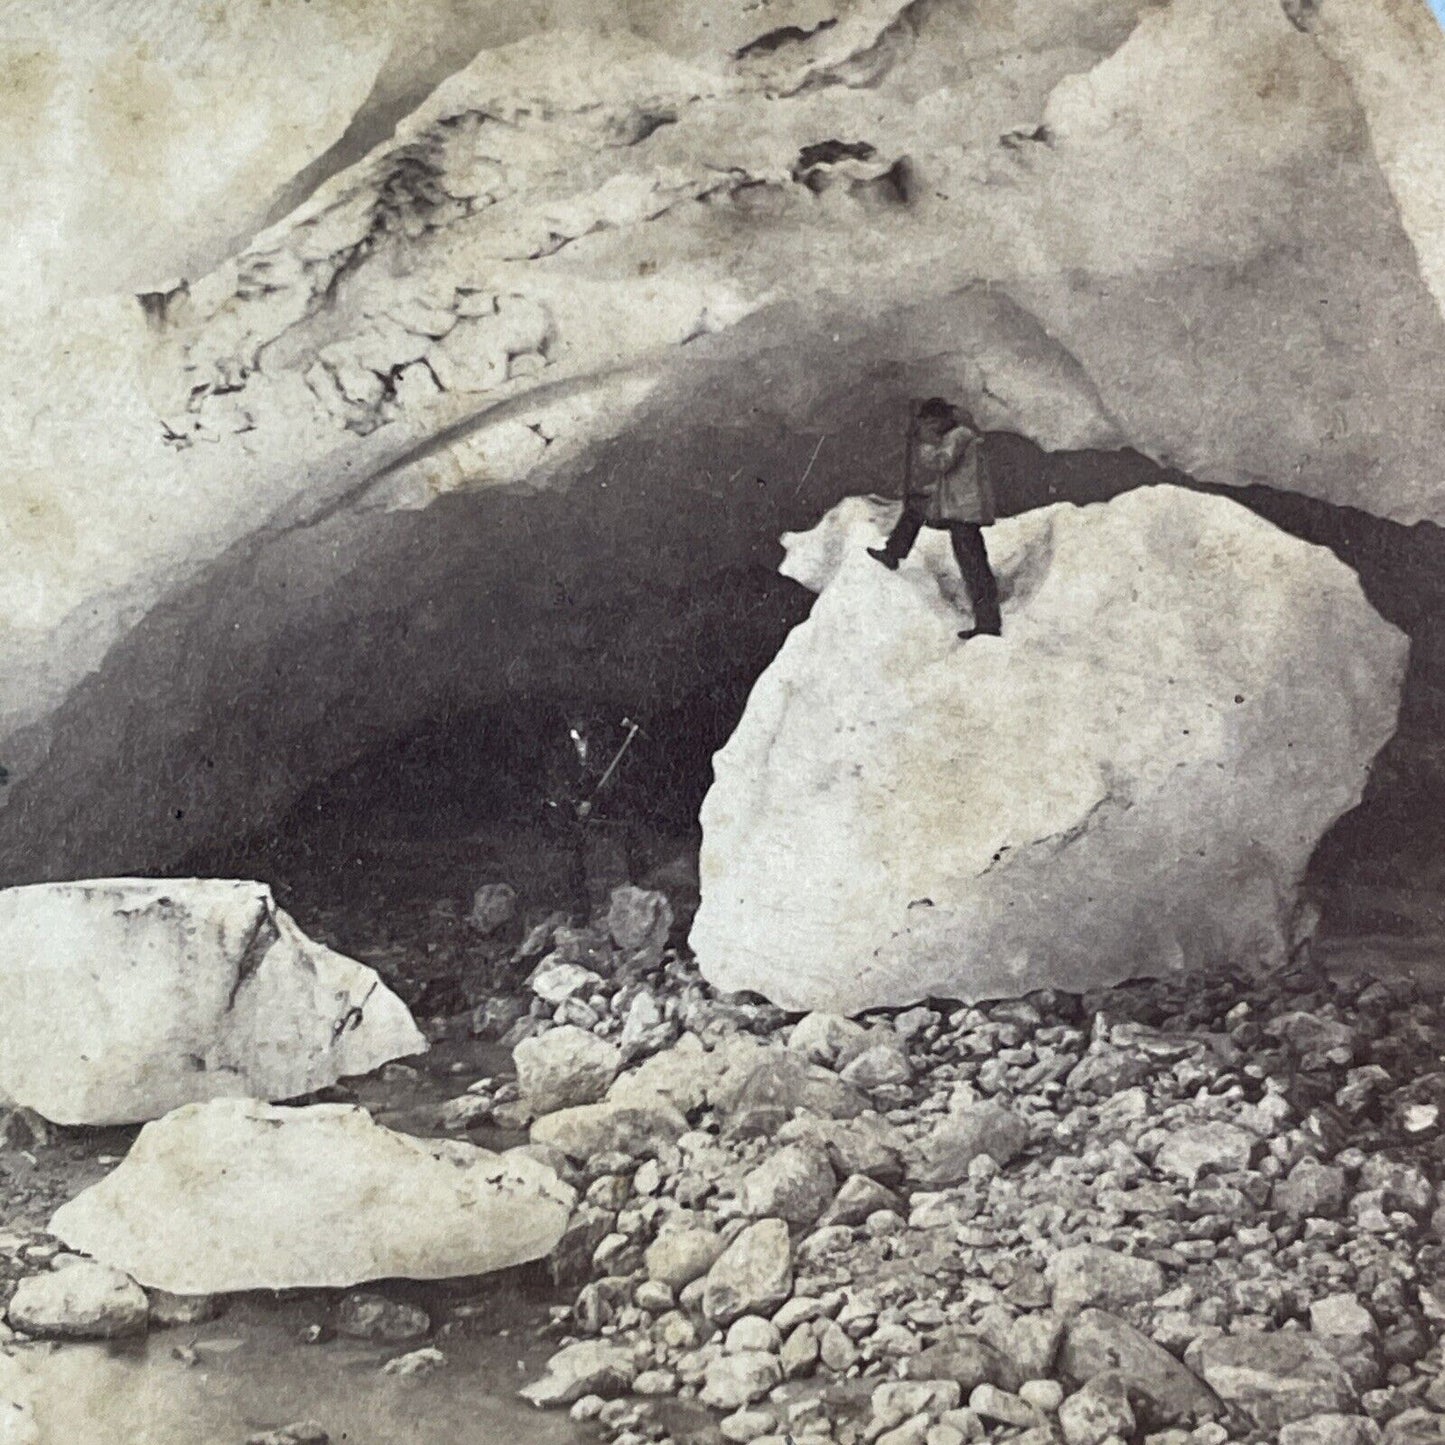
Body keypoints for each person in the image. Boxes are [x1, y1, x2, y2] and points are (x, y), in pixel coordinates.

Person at [867, 397, 1002, 640]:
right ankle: (893, 553)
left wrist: (923, 444)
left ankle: (988, 623)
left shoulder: (959, 436)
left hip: (963, 512)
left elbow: (941, 462)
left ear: (941, 419)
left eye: (931, 422)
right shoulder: (959, 434)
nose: (930, 427)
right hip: (959, 508)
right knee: (917, 510)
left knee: (973, 567)